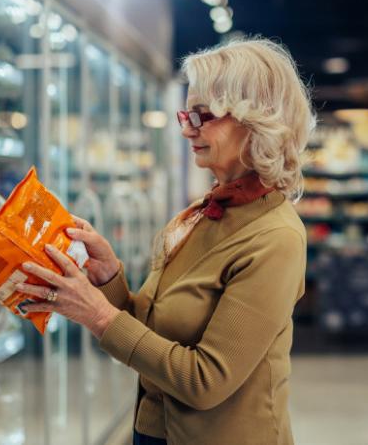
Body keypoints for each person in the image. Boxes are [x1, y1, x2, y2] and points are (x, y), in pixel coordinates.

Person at [16, 37, 314, 445]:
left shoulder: (275, 238)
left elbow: (203, 381)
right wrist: (108, 277)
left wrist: (98, 316)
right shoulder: (207, 212)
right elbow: (157, 332)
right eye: (185, 115)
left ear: (256, 120)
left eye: (202, 115)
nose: (187, 129)